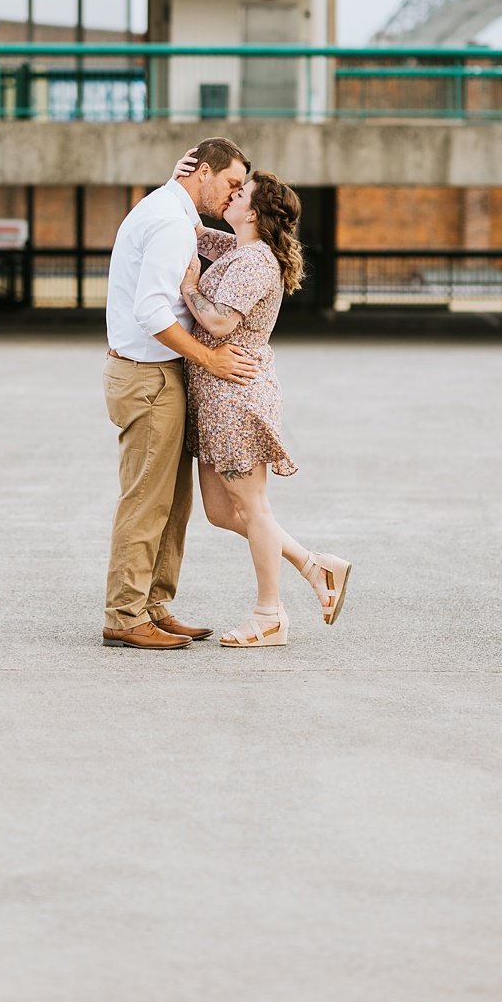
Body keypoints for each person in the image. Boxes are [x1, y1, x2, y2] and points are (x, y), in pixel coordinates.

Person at [181, 169, 352, 647]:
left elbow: (217, 322)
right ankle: (313, 565)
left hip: (237, 396)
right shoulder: (238, 249)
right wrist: (181, 177)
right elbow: (191, 228)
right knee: (220, 511)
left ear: (253, 212)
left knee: (253, 507)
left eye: (239, 193)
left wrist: (190, 288)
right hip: (216, 395)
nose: (230, 196)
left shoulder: (255, 261)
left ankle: (269, 614)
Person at [102, 138, 259, 650]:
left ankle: (153, 604)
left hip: (161, 372)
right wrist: (210, 357)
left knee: (174, 500)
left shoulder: (171, 208)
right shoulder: (170, 221)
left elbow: (237, 242)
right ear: (206, 172)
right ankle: (126, 615)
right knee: (147, 500)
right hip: (148, 378)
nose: (233, 195)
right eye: (231, 183)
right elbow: (151, 312)